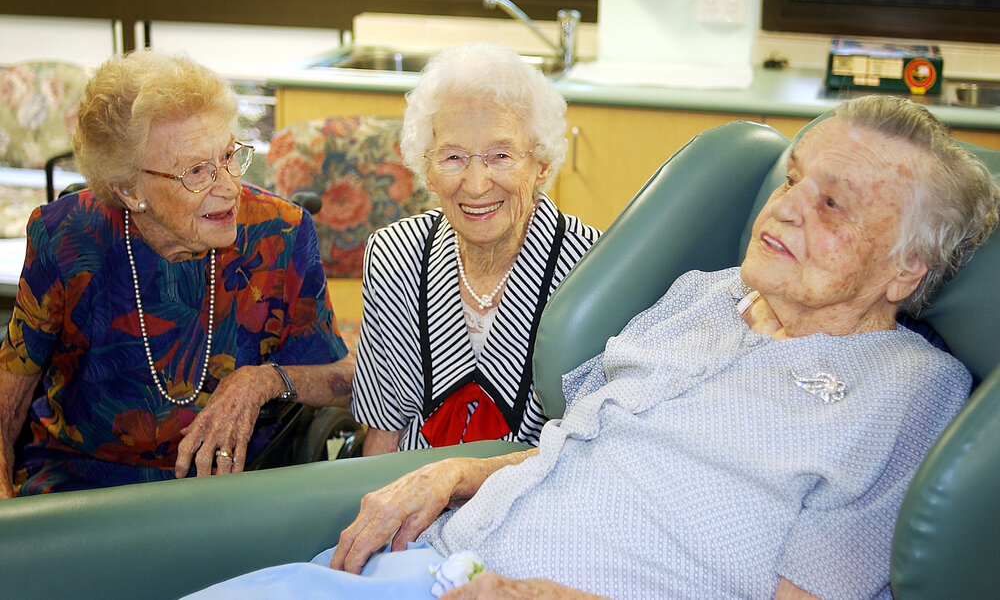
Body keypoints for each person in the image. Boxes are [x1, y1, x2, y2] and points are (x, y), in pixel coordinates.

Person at [186, 95, 999, 599]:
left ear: (905, 270)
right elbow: (577, 442)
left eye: (833, 205)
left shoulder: (909, 391)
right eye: (792, 180)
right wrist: (456, 471)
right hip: (433, 561)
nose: (785, 209)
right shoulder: (703, 295)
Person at [0, 50, 354, 497]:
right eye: (196, 171)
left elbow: (345, 382)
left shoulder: (279, 234)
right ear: (129, 189)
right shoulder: (66, 236)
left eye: (228, 155)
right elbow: (8, 395)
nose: (228, 187)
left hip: (229, 487)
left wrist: (264, 379)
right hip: (81, 486)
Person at [352, 42, 600, 455]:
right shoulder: (393, 255)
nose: (476, 183)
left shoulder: (592, 269)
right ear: (426, 169)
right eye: (452, 157)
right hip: (409, 498)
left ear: (541, 165)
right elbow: (384, 433)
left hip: (539, 504)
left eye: (501, 155)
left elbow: (599, 448)